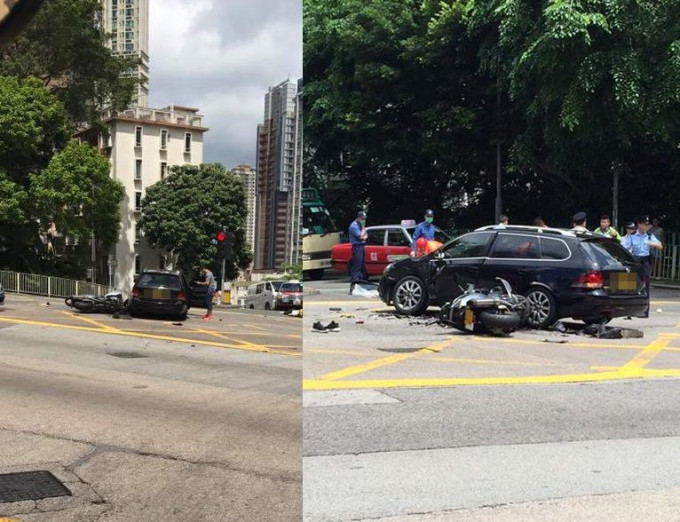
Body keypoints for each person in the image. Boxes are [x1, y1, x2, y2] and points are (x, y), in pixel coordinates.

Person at [629, 215, 663, 318]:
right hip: (635, 262)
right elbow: (626, 248)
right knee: (631, 286)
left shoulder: (649, 236)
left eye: (647, 224)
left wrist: (653, 244)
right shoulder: (632, 236)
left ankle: (644, 311)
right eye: (644, 224)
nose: (646, 226)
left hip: (645, 263)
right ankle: (632, 310)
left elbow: (660, 246)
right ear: (639, 224)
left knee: (645, 286)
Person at [348, 210, 368, 295]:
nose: (364, 220)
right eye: (362, 218)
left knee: (362, 267)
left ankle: (359, 286)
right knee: (357, 267)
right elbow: (361, 237)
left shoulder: (360, 225)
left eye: (364, 219)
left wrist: (364, 234)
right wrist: (363, 228)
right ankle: (353, 287)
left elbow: (366, 236)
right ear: (359, 218)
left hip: (361, 246)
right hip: (357, 247)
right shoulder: (354, 226)